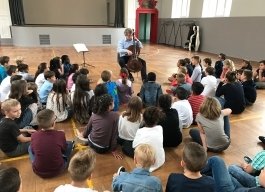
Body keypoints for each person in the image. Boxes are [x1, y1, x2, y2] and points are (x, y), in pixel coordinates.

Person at [29, 109, 74, 178]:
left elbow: (33, 150)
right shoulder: (60, 134)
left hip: (38, 171)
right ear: (53, 123)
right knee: (70, 144)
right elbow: (64, 149)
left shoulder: (34, 135)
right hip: (58, 169)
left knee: (30, 147)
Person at [78, 94, 122, 159]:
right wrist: (113, 149)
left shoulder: (94, 114)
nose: (114, 103)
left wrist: (83, 135)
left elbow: (87, 129)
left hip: (91, 142)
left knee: (93, 130)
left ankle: (85, 140)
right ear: (108, 106)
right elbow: (114, 135)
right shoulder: (115, 116)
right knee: (119, 136)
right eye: (112, 102)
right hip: (103, 149)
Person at [133, 106, 165, 172]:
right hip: (160, 161)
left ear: (143, 119)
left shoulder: (140, 131)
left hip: (145, 165)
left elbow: (134, 146)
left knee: (128, 148)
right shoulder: (160, 128)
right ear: (157, 120)